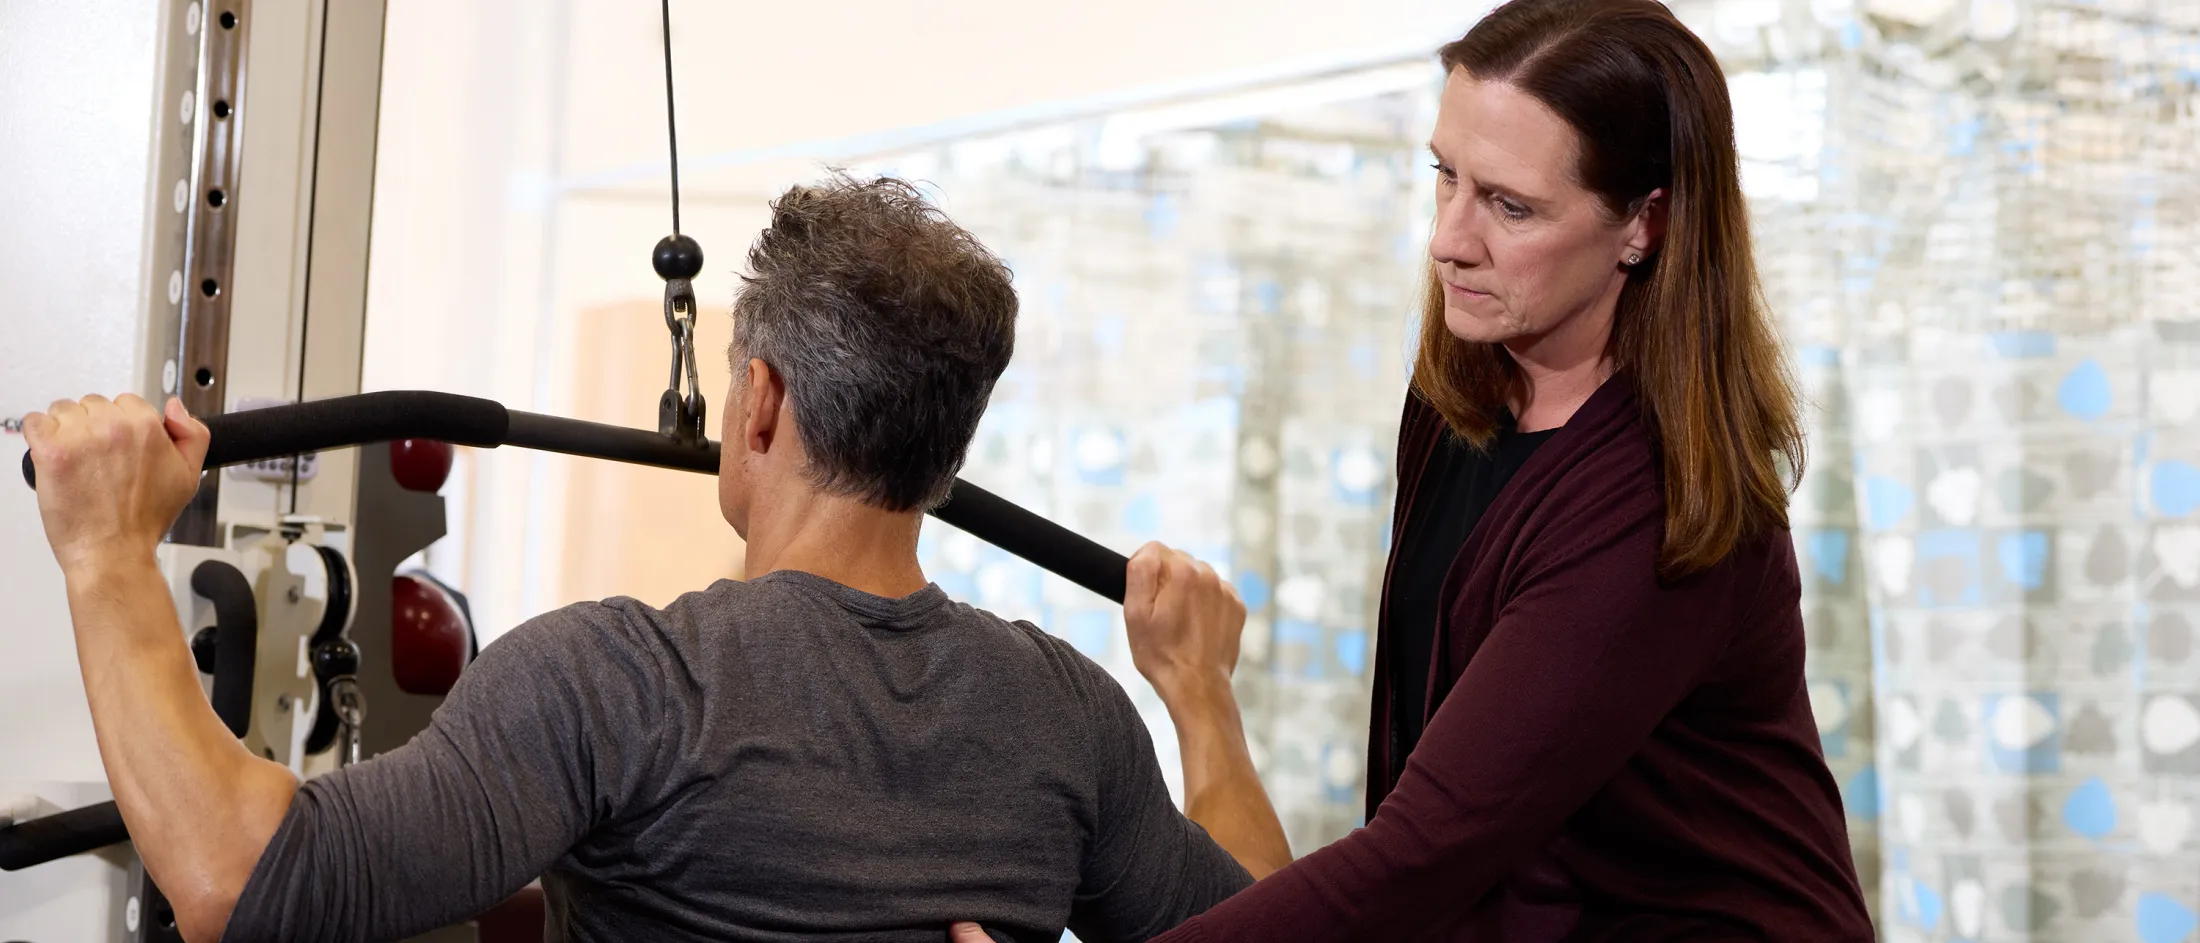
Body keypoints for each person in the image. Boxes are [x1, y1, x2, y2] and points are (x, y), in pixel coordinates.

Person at [22, 176, 1279, 943]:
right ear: (945, 454)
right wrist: (1200, 699)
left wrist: (102, 548)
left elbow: (238, 886)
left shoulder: (621, 683)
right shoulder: (1067, 719)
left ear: (763, 407)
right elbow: (1282, 936)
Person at [952, 0, 1875, 939]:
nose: (1449, 238)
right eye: (1446, 177)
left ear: (1645, 223)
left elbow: (1424, 849)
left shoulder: (1650, 503)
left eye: (1509, 205)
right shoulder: (1458, 404)